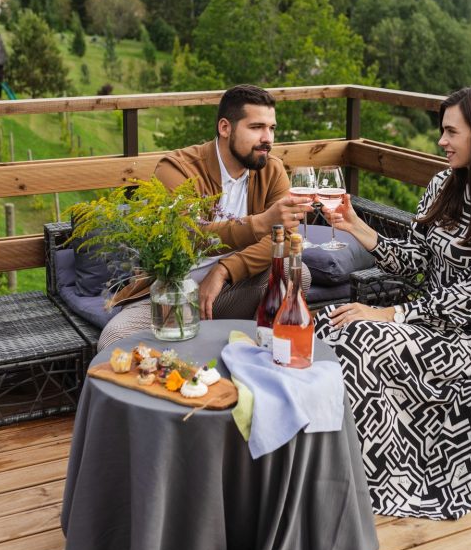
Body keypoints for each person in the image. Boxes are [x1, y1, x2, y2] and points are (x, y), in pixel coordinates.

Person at [315, 85, 471, 520]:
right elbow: (415, 263)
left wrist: (390, 314)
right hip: (425, 323)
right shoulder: (442, 184)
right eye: (442, 130)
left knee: (361, 340)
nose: (441, 141)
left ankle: (366, 478)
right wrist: (357, 226)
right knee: (329, 323)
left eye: (451, 132)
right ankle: (319, 460)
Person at [98, 84, 312, 350]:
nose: (267, 138)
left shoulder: (272, 169)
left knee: (297, 273)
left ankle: (256, 357)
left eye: (272, 128)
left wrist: (224, 270)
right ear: (225, 128)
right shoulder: (176, 169)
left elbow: (285, 238)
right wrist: (261, 223)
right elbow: (189, 237)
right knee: (114, 340)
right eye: (256, 127)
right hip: (175, 290)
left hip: (231, 288)